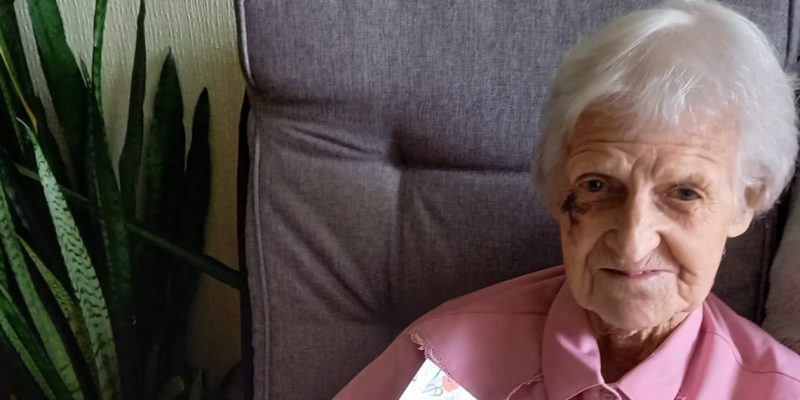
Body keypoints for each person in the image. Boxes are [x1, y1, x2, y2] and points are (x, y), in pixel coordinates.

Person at [335, 1, 800, 399]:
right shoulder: (447, 364)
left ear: (745, 201)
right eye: (597, 186)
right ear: (558, 189)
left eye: (684, 193)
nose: (632, 244)